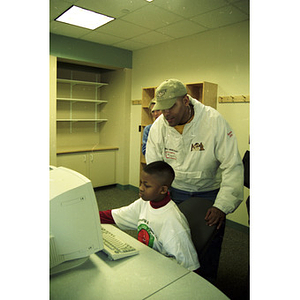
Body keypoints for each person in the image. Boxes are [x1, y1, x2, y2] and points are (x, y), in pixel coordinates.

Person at [145, 79, 244, 283]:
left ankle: (207, 287)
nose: (167, 114)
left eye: (172, 106)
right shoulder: (159, 126)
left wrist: (222, 206)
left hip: (209, 192)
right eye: (162, 109)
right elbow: (155, 166)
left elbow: (232, 165)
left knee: (208, 247)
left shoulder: (213, 121)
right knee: (173, 242)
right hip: (175, 191)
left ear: (186, 100)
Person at [99, 161, 200, 272]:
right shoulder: (145, 202)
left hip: (162, 270)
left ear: (163, 190)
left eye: (146, 185)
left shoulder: (172, 221)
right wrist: (90, 217)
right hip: (147, 260)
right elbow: (116, 215)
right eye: (141, 182)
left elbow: (190, 266)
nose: (141, 188)